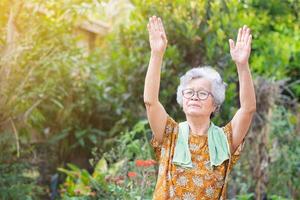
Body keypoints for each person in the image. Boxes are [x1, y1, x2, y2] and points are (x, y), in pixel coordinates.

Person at [143, 15, 256, 200]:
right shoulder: (170, 134)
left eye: (203, 93)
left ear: (215, 104)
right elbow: (150, 101)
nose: (194, 97)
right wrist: (156, 54)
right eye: (189, 92)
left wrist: (242, 65)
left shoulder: (226, 139)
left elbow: (248, 109)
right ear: (182, 99)